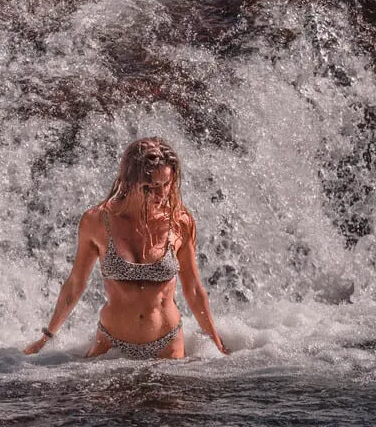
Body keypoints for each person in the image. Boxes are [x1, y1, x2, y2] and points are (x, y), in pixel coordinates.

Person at [23, 137, 230, 359]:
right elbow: (75, 284)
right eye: (150, 187)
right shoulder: (97, 221)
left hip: (167, 344)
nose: (161, 195)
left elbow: (194, 290)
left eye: (166, 185)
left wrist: (216, 343)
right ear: (129, 181)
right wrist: (46, 337)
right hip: (111, 345)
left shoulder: (179, 221)